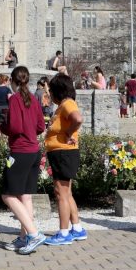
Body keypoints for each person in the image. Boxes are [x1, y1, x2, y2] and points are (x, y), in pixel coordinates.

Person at [0, 66, 47, 255]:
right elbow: (40, 126)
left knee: (7, 195)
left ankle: (34, 234)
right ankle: (23, 237)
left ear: (12, 80)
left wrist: (2, 125)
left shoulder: (14, 100)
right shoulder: (34, 100)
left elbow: (15, 127)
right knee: (25, 195)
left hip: (20, 152)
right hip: (34, 151)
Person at [44, 73, 86, 246]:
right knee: (66, 192)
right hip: (62, 153)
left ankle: (63, 232)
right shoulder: (63, 105)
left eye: (51, 91)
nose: (49, 94)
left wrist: (68, 133)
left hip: (63, 153)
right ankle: (76, 228)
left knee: (60, 193)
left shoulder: (67, 103)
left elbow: (78, 119)